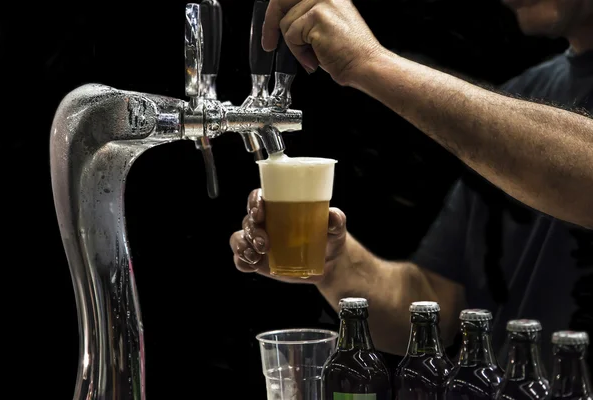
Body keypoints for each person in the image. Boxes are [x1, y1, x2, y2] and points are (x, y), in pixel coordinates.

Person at [230, 0, 593, 367]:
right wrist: (333, 264)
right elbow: (437, 312)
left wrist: (369, 63)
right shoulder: (530, 89)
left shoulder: (508, 118)